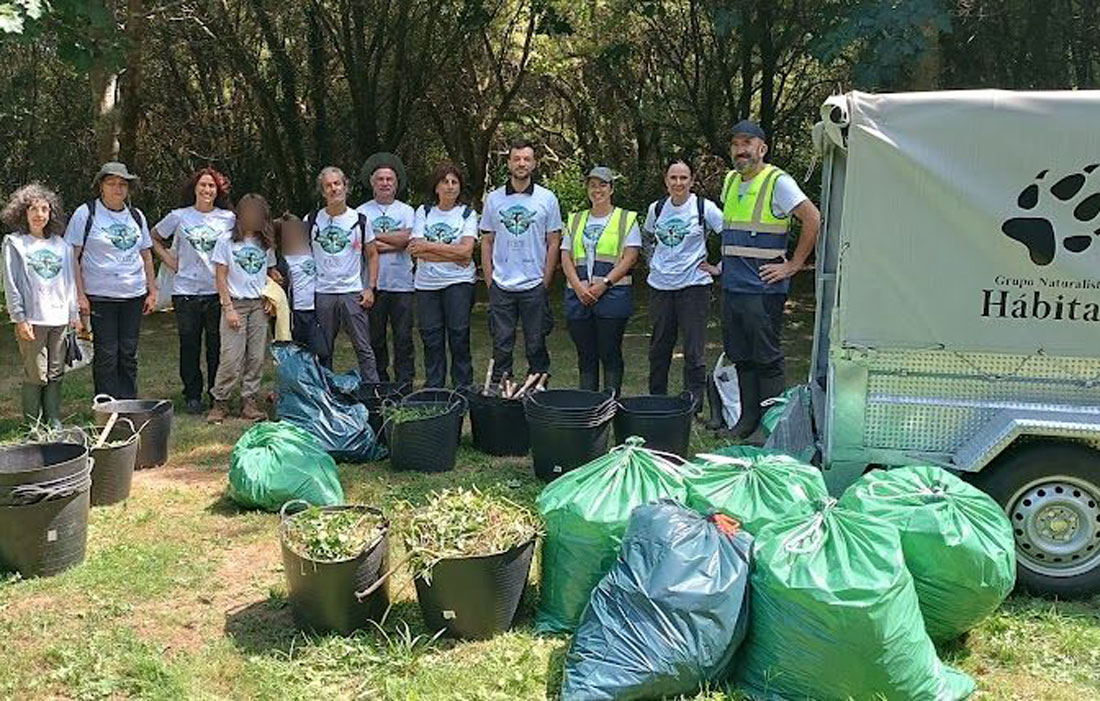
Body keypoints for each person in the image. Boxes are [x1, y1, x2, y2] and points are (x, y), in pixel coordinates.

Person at [715, 119, 820, 440]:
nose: (740, 150)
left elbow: (813, 218)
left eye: (747, 144)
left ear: (762, 148)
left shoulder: (778, 181)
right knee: (741, 356)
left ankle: (769, 426)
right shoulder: (731, 181)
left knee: (767, 359)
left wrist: (794, 265)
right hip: (732, 287)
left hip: (763, 290)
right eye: (735, 144)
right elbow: (735, 231)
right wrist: (723, 264)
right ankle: (747, 421)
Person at [65, 162, 156, 399]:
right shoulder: (86, 213)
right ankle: (106, 406)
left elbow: (146, 255)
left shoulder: (136, 216)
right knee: (106, 354)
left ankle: (128, 405)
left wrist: (152, 290)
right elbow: (71, 257)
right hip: (100, 296)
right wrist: (80, 295)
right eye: (112, 183)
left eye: (123, 184)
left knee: (128, 353)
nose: (118, 189)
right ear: (101, 186)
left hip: (133, 295)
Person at [150, 167, 235, 414]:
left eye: (212, 186)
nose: (207, 190)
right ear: (194, 188)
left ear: (217, 191)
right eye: (203, 185)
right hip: (186, 290)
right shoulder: (179, 216)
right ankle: (192, 395)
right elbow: (153, 237)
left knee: (216, 345)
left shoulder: (227, 219)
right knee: (189, 345)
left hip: (216, 290)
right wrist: (169, 260)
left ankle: (216, 394)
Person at [642, 156, 724, 411]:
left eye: (683, 178)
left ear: (691, 180)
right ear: (666, 181)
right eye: (673, 178)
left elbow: (730, 235)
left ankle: (693, 403)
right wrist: (652, 263)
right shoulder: (656, 208)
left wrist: (719, 267)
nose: (678, 183)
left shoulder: (704, 207)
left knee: (693, 349)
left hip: (693, 286)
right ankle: (657, 399)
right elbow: (646, 238)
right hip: (660, 288)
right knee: (659, 347)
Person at [480, 138, 563, 383]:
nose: (521, 163)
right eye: (516, 158)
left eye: (527, 159)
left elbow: (554, 242)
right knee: (501, 345)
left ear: (534, 163)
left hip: (534, 284)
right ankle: (501, 396)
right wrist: (490, 282)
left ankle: (537, 393)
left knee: (536, 343)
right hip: (502, 285)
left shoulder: (547, 199)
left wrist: (545, 281)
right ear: (508, 163)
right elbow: (486, 241)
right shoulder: (494, 199)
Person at [2, 184, 80, 427]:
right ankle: (33, 426)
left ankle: (53, 422)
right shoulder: (15, 243)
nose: (39, 215)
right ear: (22, 213)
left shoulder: (61, 245)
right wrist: (19, 318)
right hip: (32, 319)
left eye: (44, 209)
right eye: (33, 209)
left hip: (59, 319)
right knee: (37, 374)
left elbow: (69, 282)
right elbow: (11, 282)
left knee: (56, 372)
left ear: (51, 213)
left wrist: (73, 314)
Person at [560, 167, 641, 394]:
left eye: (603, 185)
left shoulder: (626, 219)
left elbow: (630, 257)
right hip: (579, 297)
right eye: (593, 185)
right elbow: (565, 256)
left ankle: (610, 400)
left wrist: (604, 284)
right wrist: (578, 286)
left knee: (609, 351)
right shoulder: (575, 220)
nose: (598, 190)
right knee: (586, 355)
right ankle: (588, 403)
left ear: (611, 188)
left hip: (612, 296)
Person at [207, 194, 278, 423]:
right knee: (231, 356)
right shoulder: (226, 241)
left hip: (259, 305)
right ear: (240, 215)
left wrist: (273, 291)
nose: (253, 217)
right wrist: (228, 308)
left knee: (256, 357)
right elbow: (220, 277)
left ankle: (249, 400)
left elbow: (268, 273)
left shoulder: (265, 242)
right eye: (249, 212)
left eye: (258, 213)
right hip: (235, 303)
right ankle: (221, 401)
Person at [408, 162, 479, 389]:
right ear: (436, 187)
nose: (449, 187)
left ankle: (463, 386)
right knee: (431, 337)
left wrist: (429, 248)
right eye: (444, 182)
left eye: (454, 182)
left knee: (459, 336)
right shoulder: (423, 212)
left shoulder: (467, 214)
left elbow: (467, 252)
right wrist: (453, 254)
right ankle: (434, 387)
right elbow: (415, 249)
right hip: (426, 285)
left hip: (458, 284)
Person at [306, 166, 380, 383]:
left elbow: (373, 255)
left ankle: (372, 393)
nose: (333, 189)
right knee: (322, 349)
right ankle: (324, 394)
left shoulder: (360, 220)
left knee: (363, 347)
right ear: (322, 192)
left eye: (337, 184)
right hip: (323, 293)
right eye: (328, 185)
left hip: (352, 292)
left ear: (345, 187)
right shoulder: (311, 220)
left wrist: (370, 287)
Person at [357, 154, 416, 385]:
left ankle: (404, 382)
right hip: (372, 285)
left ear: (396, 183)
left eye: (389, 179)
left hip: (402, 284)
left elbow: (409, 240)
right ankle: (379, 381)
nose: (384, 183)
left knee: (403, 337)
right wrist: (394, 241)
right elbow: (361, 246)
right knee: (375, 338)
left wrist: (374, 238)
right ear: (372, 183)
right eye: (380, 179)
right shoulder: (360, 212)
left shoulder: (407, 211)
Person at [273, 213, 322, 354]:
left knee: (321, 350)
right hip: (295, 312)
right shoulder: (281, 260)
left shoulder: (312, 251)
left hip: (316, 309)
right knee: (299, 350)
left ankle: (321, 375)